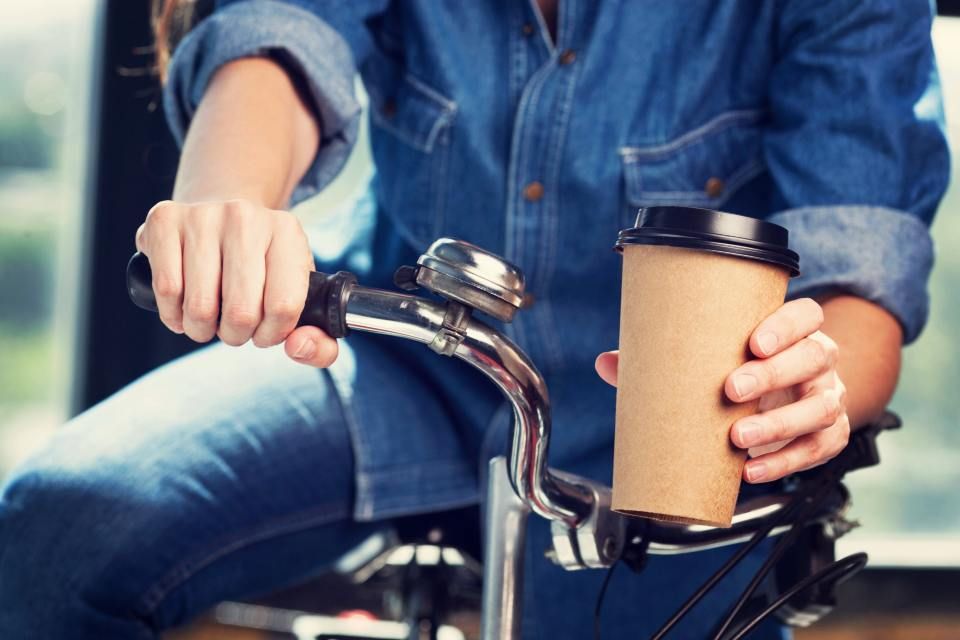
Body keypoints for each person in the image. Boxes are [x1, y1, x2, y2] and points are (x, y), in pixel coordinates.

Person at [0, 1, 949, 638]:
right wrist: (227, 203)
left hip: (674, 432)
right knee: (57, 529)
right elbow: (283, 34)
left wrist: (807, 388)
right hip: (412, 363)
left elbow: (859, 271)